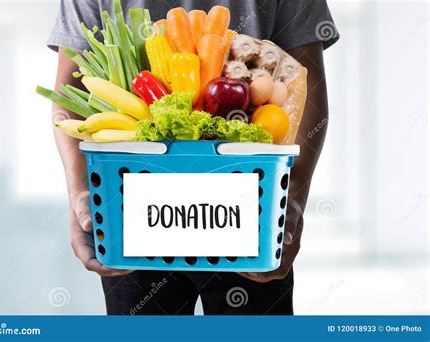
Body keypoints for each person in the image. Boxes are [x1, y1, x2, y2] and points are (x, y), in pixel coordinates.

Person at [47, 0, 339, 315]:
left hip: (250, 206)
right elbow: (71, 94)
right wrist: (82, 195)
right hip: (133, 205)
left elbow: (308, 85)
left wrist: (289, 201)